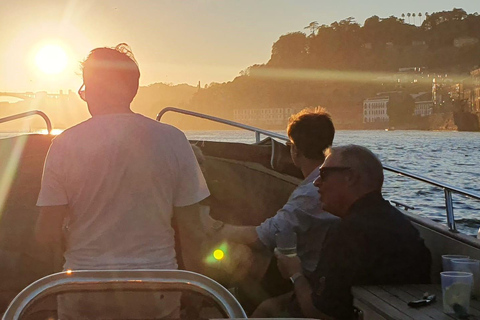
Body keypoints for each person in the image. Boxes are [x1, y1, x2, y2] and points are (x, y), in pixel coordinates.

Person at [35, 44, 210, 319]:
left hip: (83, 289)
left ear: (91, 89)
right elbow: (193, 232)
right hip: (158, 288)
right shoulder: (173, 139)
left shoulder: (63, 144)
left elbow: (45, 234)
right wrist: (196, 289)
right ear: (132, 89)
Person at [254, 145, 432, 320]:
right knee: (268, 306)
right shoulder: (402, 226)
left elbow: (319, 311)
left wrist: (294, 273)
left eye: (323, 175)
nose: (316, 182)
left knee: (265, 310)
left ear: (350, 177)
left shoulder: (346, 233)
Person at [202, 108, 340, 301]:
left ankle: (220, 303)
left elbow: (266, 236)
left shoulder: (310, 192)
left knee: (237, 254)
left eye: (289, 144)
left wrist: (217, 229)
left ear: (295, 150)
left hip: (311, 278)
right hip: (323, 268)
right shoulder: (332, 180)